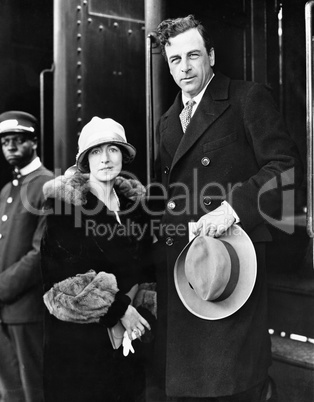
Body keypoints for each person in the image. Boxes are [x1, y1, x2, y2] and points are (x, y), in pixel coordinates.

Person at [151, 15, 303, 401]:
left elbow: (285, 167)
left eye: (193, 56)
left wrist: (232, 209)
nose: (184, 68)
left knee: (232, 386)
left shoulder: (246, 98)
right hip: (187, 268)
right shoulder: (167, 122)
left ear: (212, 56)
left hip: (232, 266)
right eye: (174, 60)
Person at [40, 117, 155, 402]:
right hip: (79, 353)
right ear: (85, 161)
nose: (105, 158)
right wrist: (121, 310)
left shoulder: (135, 209)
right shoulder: (66, 209)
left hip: (126, 346)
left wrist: (140, 315)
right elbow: (61, 284)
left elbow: (148, 271)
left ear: (123, 156)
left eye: (113, 149)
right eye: (95, 151)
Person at [0, 111, 53, 402]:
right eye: (5, 141)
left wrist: (2, 288)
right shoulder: (8, 190)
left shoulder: (46, 185)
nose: (10, 147)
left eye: (18, 140)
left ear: (33, 142)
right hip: (6, 313)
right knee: (11, 393)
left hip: (28, 311)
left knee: (33, 391)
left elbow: (39, 253)